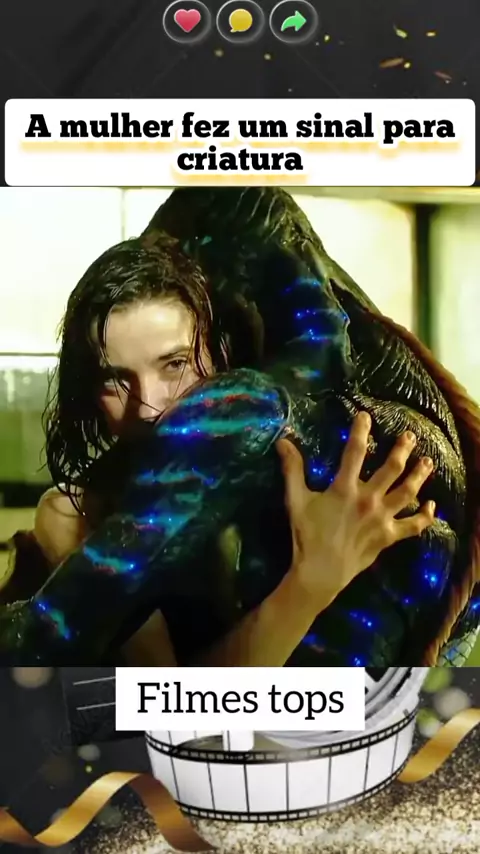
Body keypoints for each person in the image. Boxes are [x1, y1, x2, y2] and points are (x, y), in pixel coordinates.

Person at [0, 234, 435, 666]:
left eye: (174, 364)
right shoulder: (76, 513)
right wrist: (311, 583)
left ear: (220, 352)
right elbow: (173, 697)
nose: (148, 406)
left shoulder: (293, 449)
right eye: (115, 379)